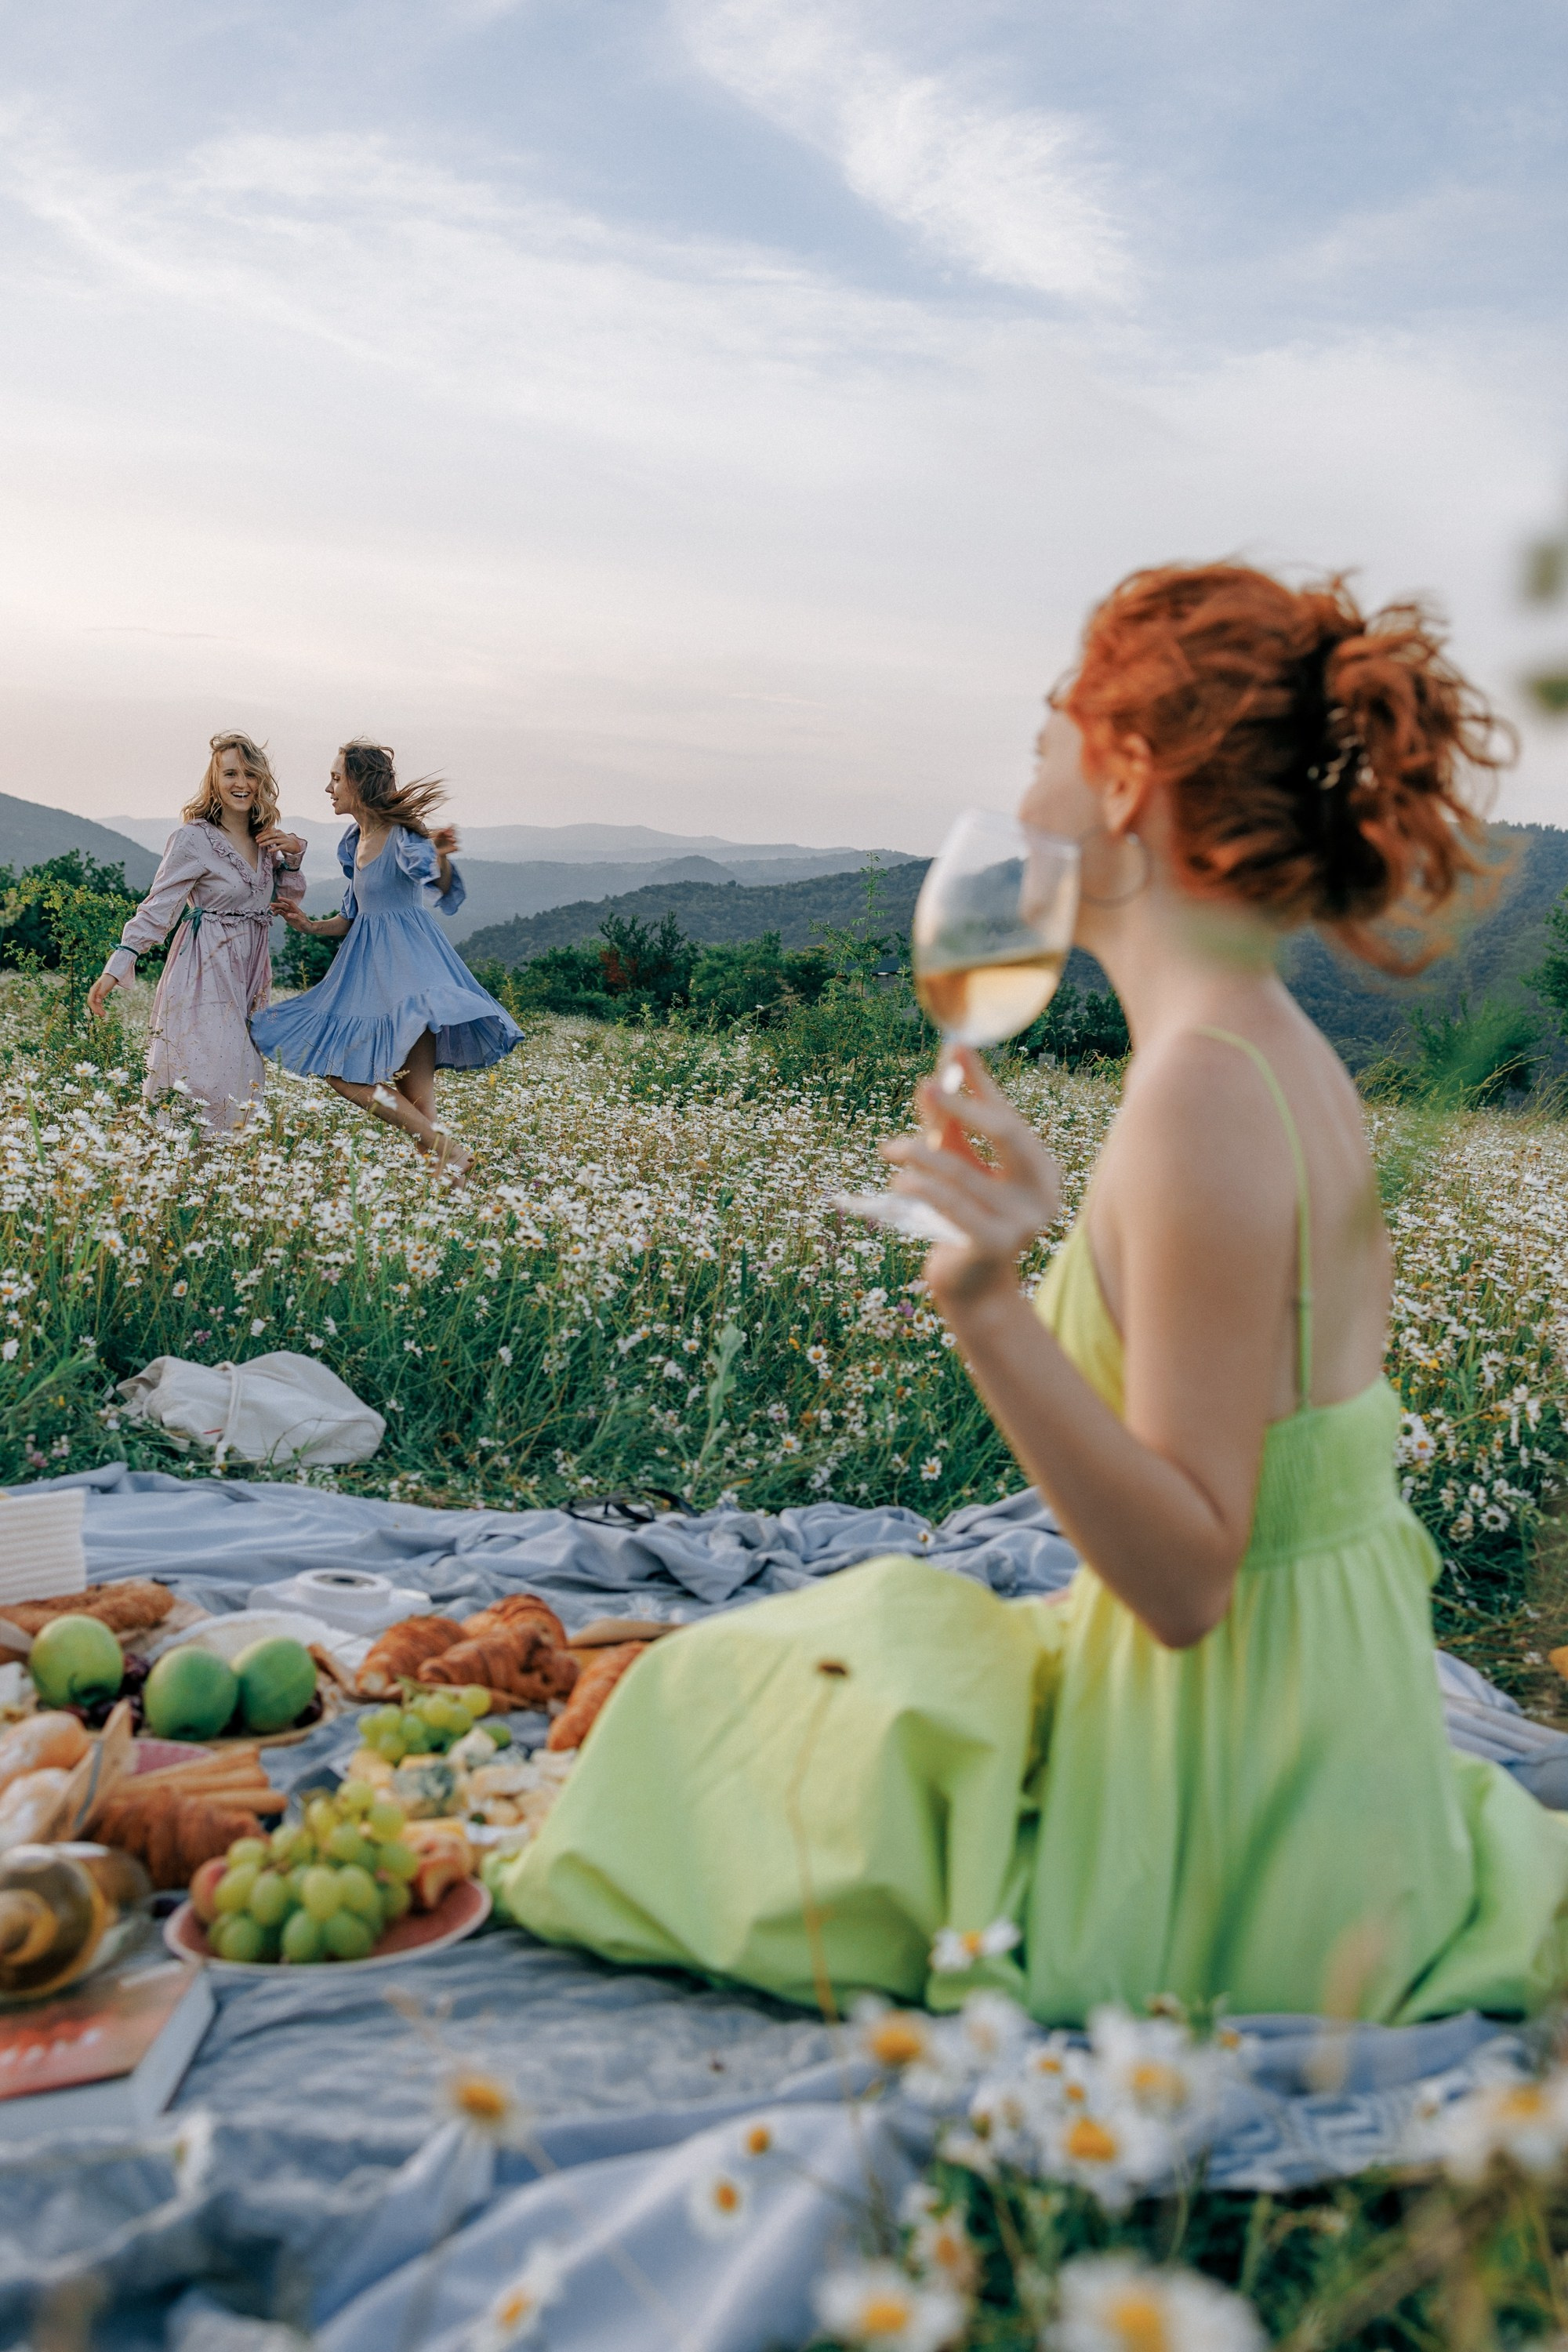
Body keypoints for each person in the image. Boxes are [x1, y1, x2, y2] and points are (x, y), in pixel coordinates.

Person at [493, 562, 1568, 2027]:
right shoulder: (1252, 1046)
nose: (1024, 784)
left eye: (1044, 739)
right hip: (1317, 1709)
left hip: (1236, 1796)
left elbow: (1187, 1582)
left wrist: (988, 1300)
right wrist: (1070, 1237)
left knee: (716, 1711)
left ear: (1124, 775)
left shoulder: (1203, 1088)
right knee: (830, 1656)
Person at [252, 739, 521, 1181]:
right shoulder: (352, 842)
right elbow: (352, 917)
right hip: (371, 973)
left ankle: (448, 1155)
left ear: (360, 783)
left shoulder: (402, 837)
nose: (329, 788)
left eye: (336, 778)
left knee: (347, 1074)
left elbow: (435, 878)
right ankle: (450, 1180)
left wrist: (440, 857)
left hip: (411, 971)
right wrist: (308, 925)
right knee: (414, 1103)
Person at [86, 734, 306, 1130]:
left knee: (242, 1075)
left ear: (261, 781)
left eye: (250, 774)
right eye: (231, 774)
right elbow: (159, 907)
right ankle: (178, 1158)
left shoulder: (265, 841)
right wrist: (117, 965)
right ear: (214, 780)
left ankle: (225, 1166)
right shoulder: (193, 838)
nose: (241, 783)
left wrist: (291, 855)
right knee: (202, 1072)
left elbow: (287, 902)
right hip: (205, 968)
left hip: (251, 975)